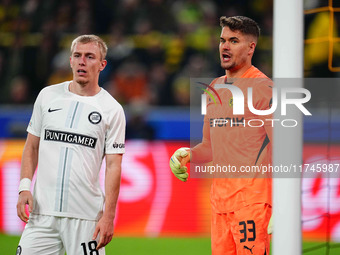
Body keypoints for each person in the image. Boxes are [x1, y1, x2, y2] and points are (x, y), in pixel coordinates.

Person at [170, 16, 272, 255]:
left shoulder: (263, 89)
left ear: (251, 48)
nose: (225, 46)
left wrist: (284, 202)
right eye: (222, 40)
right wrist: (188, 154)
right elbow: (210, 147)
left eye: (234, 41)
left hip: (251, 201)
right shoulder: (214, 88)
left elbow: (282, 148)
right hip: (220, 204)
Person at [16, 34, 126, 255]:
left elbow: (114, 166)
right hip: (42, 214)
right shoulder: (47, 96)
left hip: (85, 218)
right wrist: (24, 187)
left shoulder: (112, 110)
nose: (82, 61)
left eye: (89, 56)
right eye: (77, 55)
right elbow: (32, 146)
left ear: (102, 65)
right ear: (70, 61)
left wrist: (108, 216)